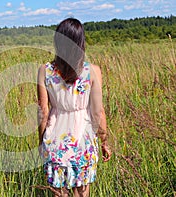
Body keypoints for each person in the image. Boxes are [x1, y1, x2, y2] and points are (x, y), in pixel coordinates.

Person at [37, 18, 111, 197]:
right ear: (81, 42)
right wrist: (104, 141)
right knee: (81, 192)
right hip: (83, 141)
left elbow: (43, 112)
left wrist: (40, 143)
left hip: (55, 140)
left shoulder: (44, 70)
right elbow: (97, 112)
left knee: (59, 193)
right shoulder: (92, 71)